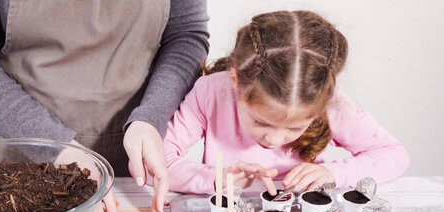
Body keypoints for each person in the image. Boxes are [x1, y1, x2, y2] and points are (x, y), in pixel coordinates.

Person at [0, 0, 210, 212]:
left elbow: (186, 36)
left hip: (134, 161)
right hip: (20, 165)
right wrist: (55, 148)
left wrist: (151, 116)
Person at [162, 10, 409, 196]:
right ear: (236, 80)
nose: (274, 140)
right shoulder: (212, 91)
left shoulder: (329, 100)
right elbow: (157, 160)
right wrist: (215, 180)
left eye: (293, 128)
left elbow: (393, 155)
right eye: (261, 121)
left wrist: (334, 173)